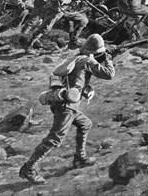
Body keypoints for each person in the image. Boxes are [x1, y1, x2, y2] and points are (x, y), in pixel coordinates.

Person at [20, 34, 115, 184]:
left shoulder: (77, 58)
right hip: (67, 106)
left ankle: (80, 158)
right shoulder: (87, 61)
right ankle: (28, 168)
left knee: (85, 124)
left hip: (64, 103)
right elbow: (109, 74)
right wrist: (109, 60)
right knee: (54, 139)